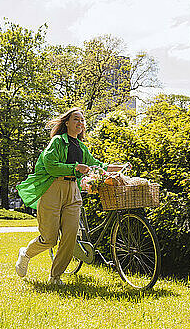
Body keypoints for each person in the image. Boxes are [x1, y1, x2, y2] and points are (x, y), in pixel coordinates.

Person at [15, 107, 129, 285]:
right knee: (49, 239)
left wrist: (118, 166)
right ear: (66, 122)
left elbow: (96, 164)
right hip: (53, 188)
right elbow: (51, 165)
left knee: (70, 236)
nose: (80, 123)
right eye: (76, 119)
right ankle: (26, 253)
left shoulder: (82, 147)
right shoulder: (57, 141)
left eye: (82, 121)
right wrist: (75, 168)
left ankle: (55, 276)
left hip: (73, 191)